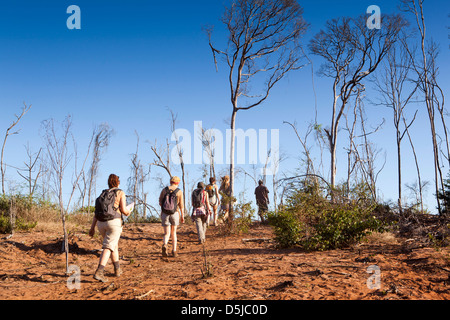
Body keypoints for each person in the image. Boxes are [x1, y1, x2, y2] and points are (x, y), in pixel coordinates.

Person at [89, 174, 132, 283]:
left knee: (113, 245)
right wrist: (129, 211)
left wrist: (92, 227)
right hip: (114, 222)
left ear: (108, 183)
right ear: (118, 182)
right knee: (108, 247)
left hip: (100, 224)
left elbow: (96, 213)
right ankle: (99, 271)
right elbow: (124, 210)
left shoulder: (103, 194)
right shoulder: (120, 192)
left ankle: (117, 270)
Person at [159, 176, 184, 257]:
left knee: (166, 233)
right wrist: (182, 216)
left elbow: (160, 202)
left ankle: (165, 244)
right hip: (175, 213)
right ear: (178, 182)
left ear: (170, 182)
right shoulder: (179, 191)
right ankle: (174, 251)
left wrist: (163, 211)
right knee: (174, 233)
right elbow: (181, 206)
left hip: (165, 213)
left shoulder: (164, 190)